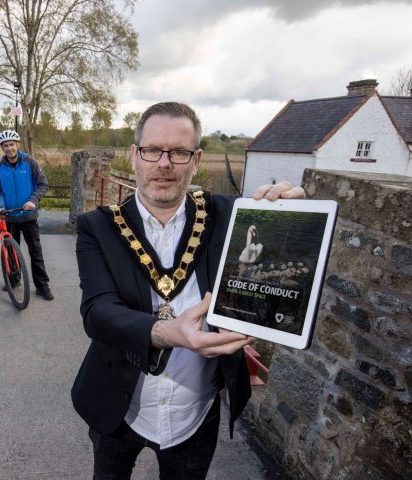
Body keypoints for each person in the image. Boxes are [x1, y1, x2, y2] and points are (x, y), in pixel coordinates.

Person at [71, 102, 305, 479]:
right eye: (152, 150)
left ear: (196, 161)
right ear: (134, 156)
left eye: (179, 152)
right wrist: (164, 333)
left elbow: (276, 268)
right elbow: (97, 311)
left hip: (195, 412)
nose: (164, 163)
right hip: (118, 403)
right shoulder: (97, 227)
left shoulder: (230, 215)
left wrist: (287, 219)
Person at [0, 129, 53, 300]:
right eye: (6, 146)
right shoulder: (0, 168)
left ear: (17, 145)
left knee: (35, 252)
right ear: (2, 148)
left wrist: (33, 200)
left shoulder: (29, 162)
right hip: (9, 217)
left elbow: (43, 184)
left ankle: (42, 286)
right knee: (10, 250)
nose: (9, 148)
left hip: (28, 216)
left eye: (12, 144)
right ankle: (14, 280)